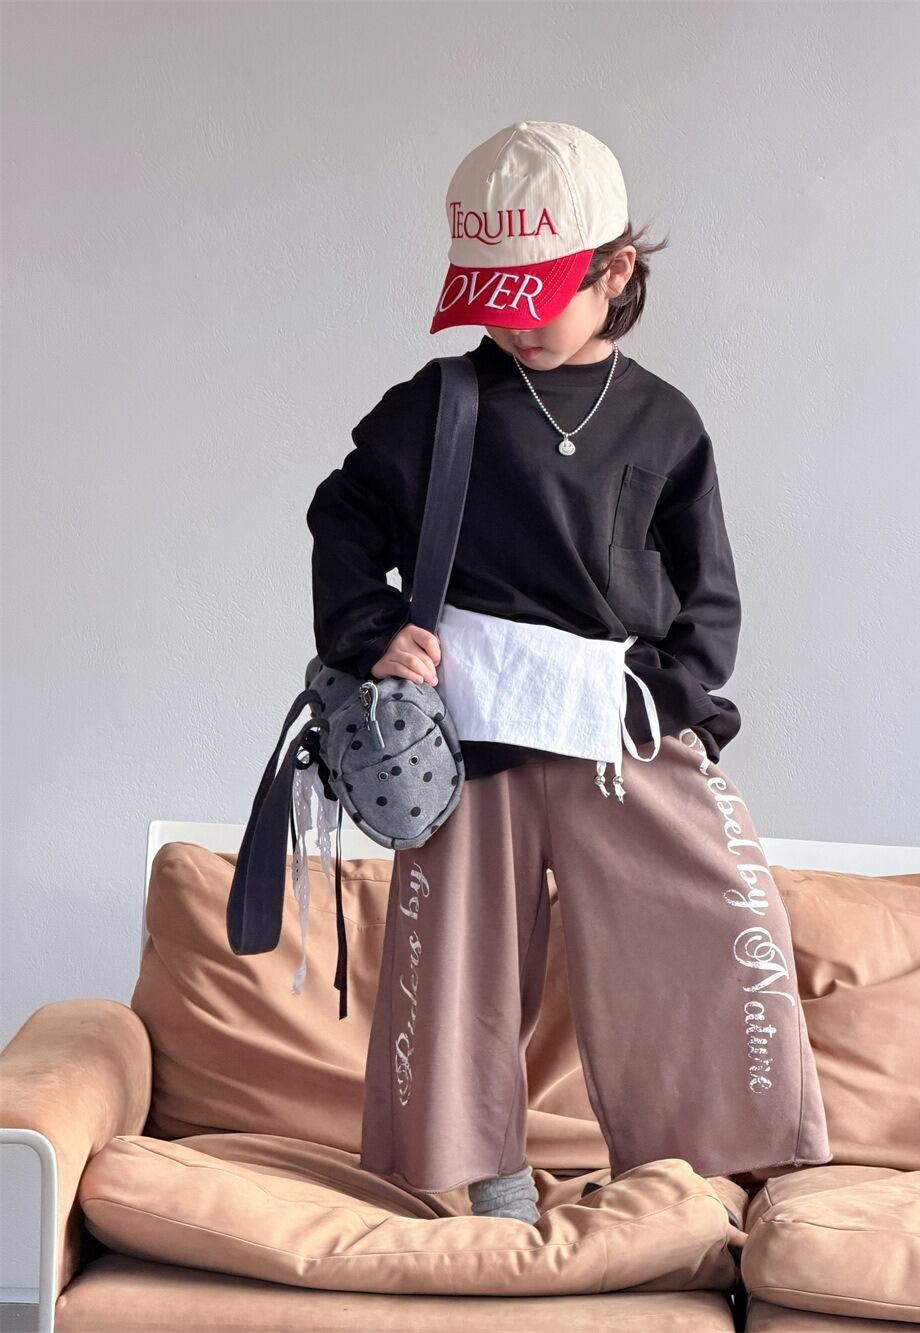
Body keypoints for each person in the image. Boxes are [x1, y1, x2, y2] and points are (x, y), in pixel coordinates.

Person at [306, 121, 832, 1241]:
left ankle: (696, 1185)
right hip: (473, 741)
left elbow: (709, 596)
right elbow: (342, 517)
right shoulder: (443, 403)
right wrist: (371, 632)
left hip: (620, 731)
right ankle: (491, 1191)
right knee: (460, 966)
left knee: (712, 924)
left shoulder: (666, 421)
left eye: (536, 295)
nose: (512, 321)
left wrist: (667, 697)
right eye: (491, 297)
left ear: (617, 270)